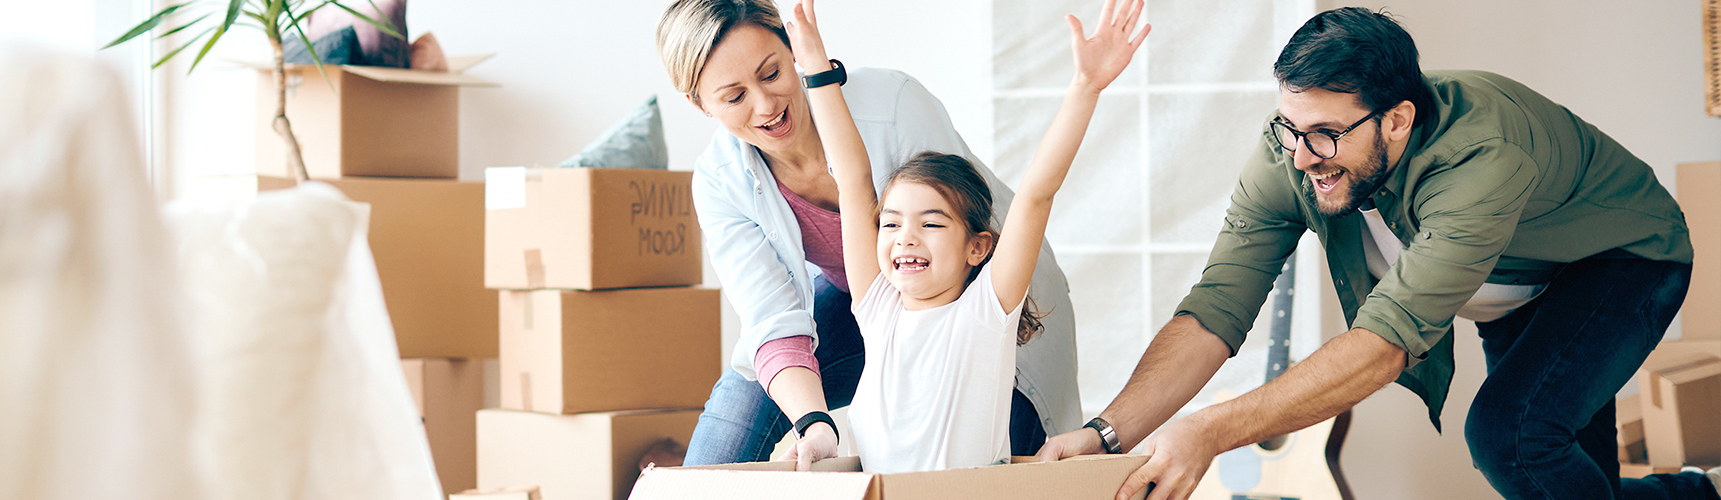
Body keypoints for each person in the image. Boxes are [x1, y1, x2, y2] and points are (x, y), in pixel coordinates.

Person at [1031, 7, 1721, 500]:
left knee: (1511, 439)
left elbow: (1384, 343)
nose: (1302, 157)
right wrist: (1107, 433)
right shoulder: (1293, 156)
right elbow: (1215, 311)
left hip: (1622, 261)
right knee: (1557, 478)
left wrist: (1210, 431)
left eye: (1325, 133)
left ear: (1397, 119)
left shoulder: (1481, 160)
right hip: (1511, 284)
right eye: (1289, 127)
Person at [654, 0, 1083, 470]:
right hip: (869, 299)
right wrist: (814, 423)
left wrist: (1086, 86)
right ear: (698, 103)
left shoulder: (893, 106)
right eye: (734, 97)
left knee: (1010, 447)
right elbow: (774, 317)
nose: (765, 105)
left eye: (772, 73)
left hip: (978, 286)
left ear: (791, 49)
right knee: (735, 414)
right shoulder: (723, 183)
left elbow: (1022, 203)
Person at [782, 0, 1146, 473]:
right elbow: (852, 178)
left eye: (930, 223)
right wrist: (814, 68)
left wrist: (1085, 87)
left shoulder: (984, 315)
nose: (905, 238)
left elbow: (1036, 194)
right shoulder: (877, 310)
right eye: (891, 223)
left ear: (978, 247)